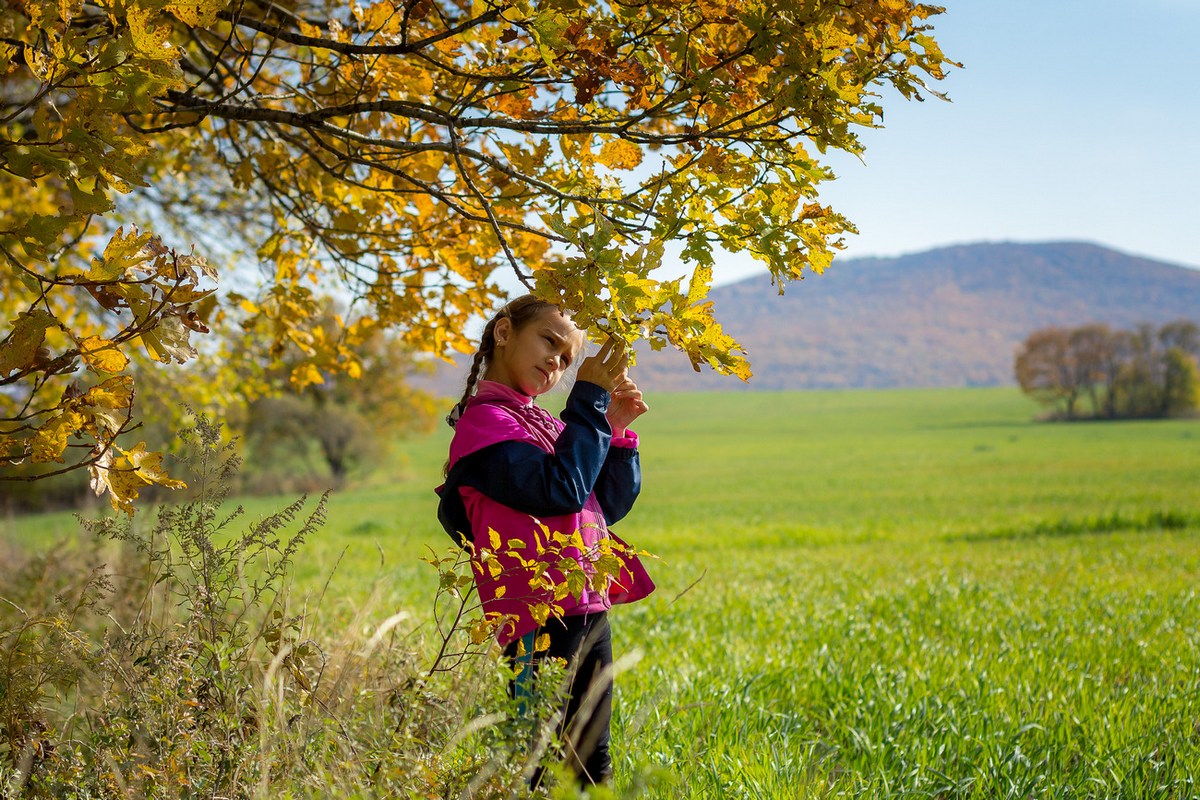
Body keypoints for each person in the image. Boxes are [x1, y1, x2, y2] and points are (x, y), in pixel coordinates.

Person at [435, 294, 656, 787]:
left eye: (566, 358)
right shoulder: (486, 426)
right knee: (540, 761)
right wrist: (587, 403)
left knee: (591, 764)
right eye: (549, 342)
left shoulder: (548, 425)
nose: (555, 362)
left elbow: (600, 506)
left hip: (585, 603)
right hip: (537, 614)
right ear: (504, 332)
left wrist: (613, 432)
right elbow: (560, 491)